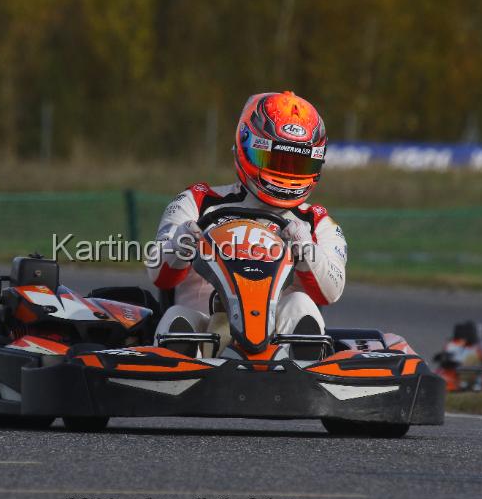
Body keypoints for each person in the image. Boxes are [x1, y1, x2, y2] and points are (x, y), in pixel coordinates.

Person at [146, 91, 346, 345]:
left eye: (298, 164)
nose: (286, 173)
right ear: (247, 144)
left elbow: (331, 291)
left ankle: (302, 366)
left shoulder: (315, 221)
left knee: (301, 304)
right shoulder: (197, 201)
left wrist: (306, 252)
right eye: (274, 159)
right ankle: (175, 366)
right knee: (177, 316)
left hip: (278, 347)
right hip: (203, 336)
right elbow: (158, 274)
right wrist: (181, 244)